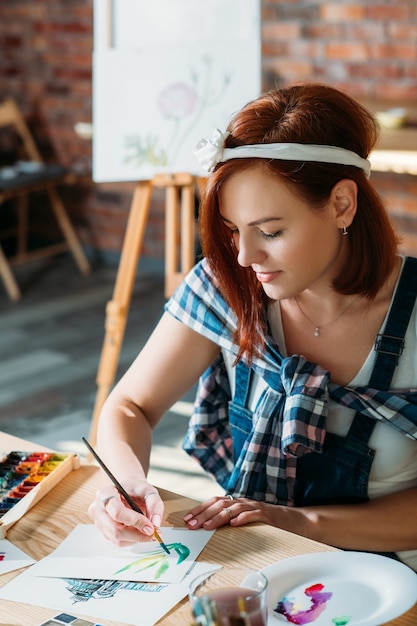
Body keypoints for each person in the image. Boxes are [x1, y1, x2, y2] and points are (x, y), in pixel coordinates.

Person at [89, 83, 417, 570]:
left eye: (271, 231)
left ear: (342, 205)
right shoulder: (227, 287)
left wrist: (299, 523)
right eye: (232, 230)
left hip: (389, 579)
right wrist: (126, 482)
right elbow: (130, 405)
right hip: (255, 561)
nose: (245, 256)